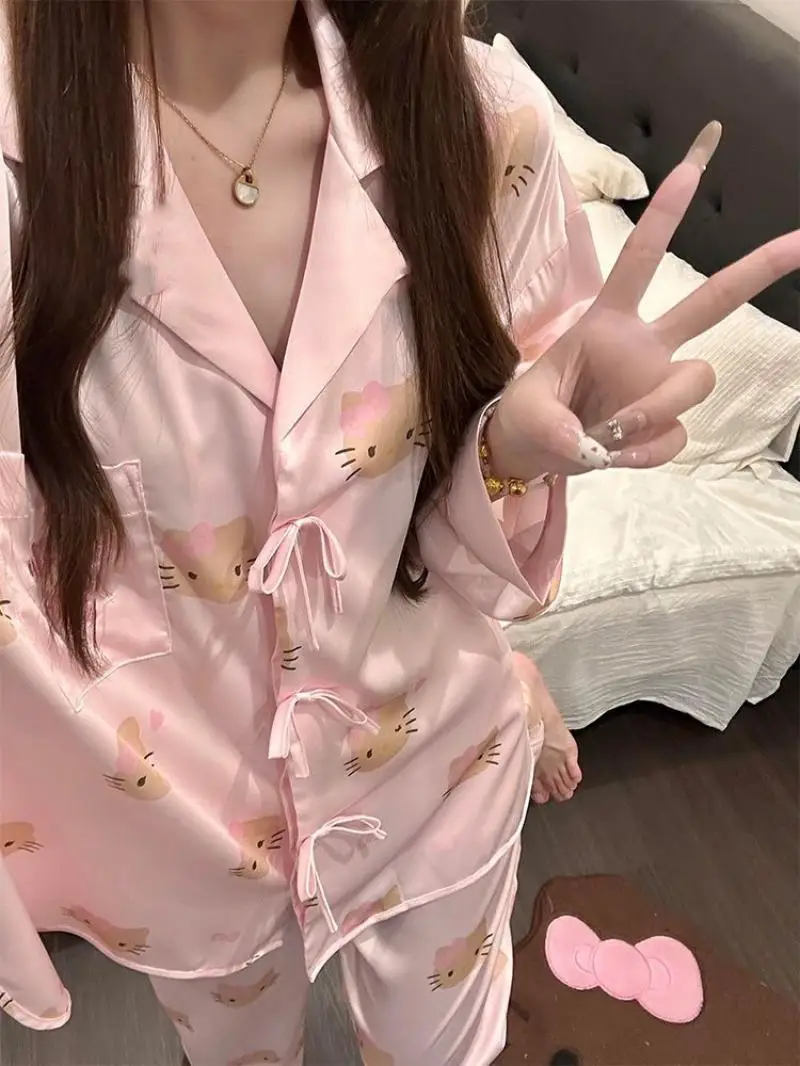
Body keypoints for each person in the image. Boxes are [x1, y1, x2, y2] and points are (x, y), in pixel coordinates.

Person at [0, 2, 797, 1064]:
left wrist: (505, 450)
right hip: (185, 832)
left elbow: (445, 510)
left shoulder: (482, 125)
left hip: (439, 768)